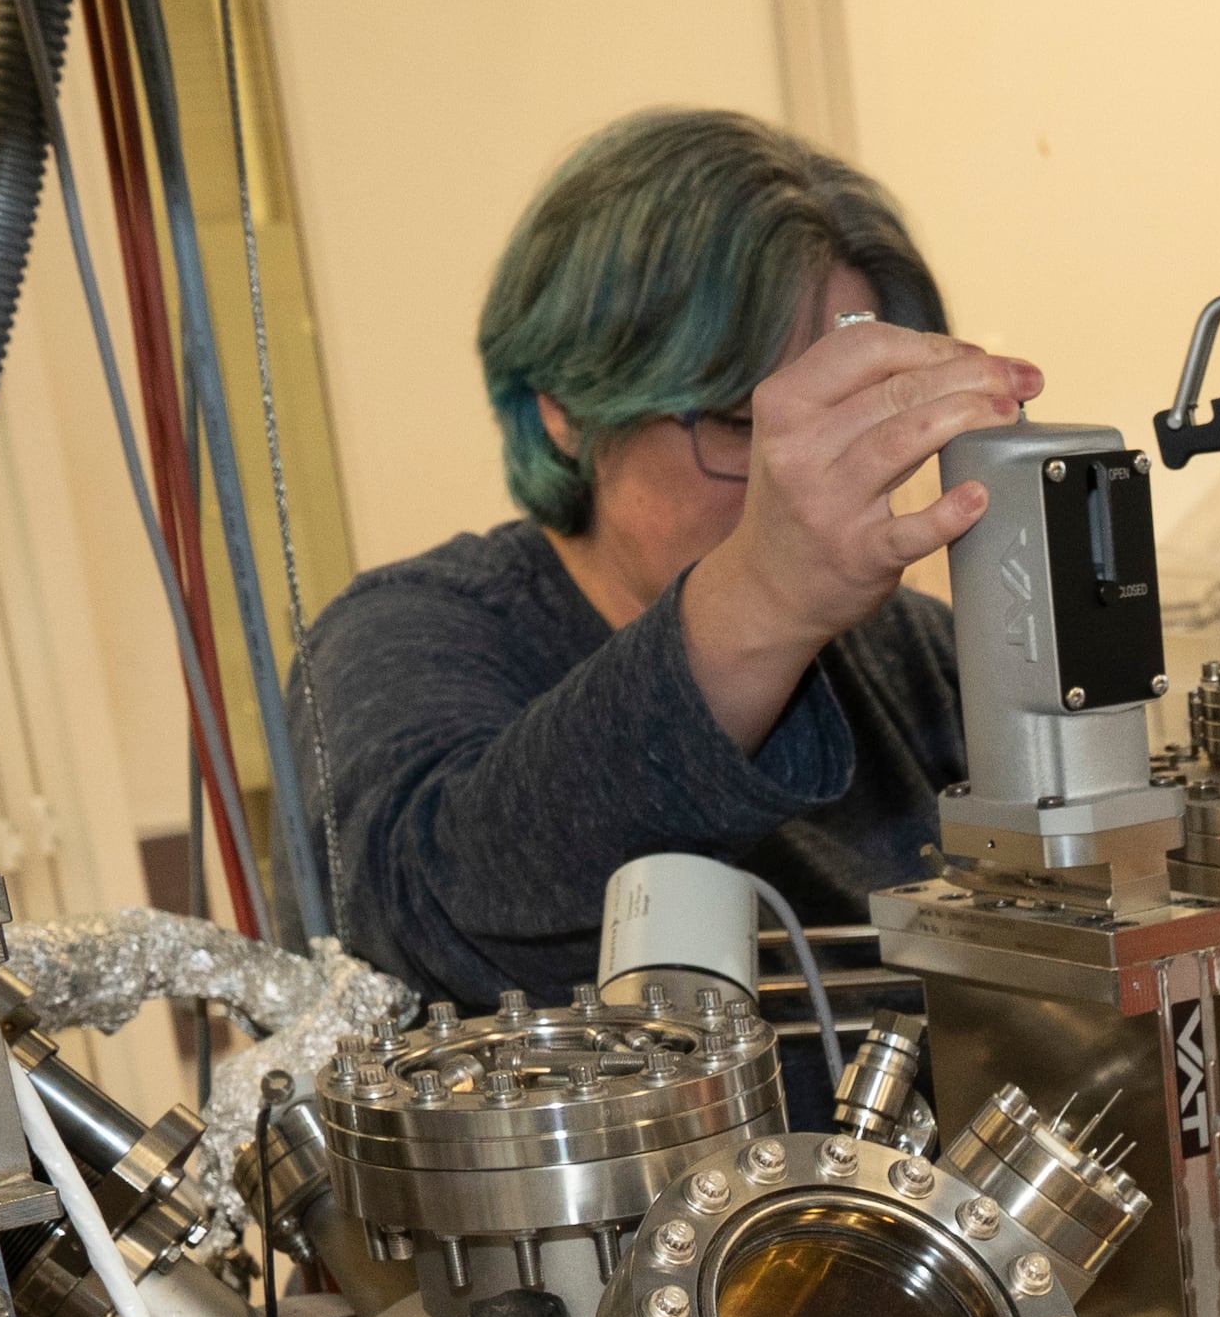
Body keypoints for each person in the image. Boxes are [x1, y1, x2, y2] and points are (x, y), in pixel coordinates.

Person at [291, 109, 1038, 1024]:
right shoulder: (403, 638)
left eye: (846, 422)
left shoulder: (916, 654)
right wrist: (762, 600)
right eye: (739, 424)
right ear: (565, 406)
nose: (793, 473)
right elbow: (438, 931)